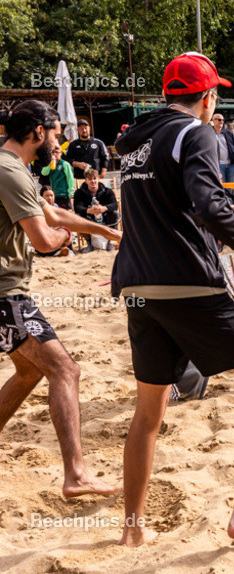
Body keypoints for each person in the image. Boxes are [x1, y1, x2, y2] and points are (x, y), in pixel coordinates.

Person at [112, 51, 234, 546]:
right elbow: (208, 202)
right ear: (208, 98)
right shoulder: (199, 132)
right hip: (187, 282)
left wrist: (228, 227)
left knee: (148, 414)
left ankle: (132, 531)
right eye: (216, 97)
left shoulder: (137, 142)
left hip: (138, 283)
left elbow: (176, 207)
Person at [0, 100, 122, 498]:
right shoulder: (9, 172)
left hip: (6, 291)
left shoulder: (13, 168)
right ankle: (76, 475)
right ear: (37, 131)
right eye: (54, 133)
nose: (59, 141)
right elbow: (46, 239)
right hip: (5, 295)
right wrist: (68, 240)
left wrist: (107, 232)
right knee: (65, 372)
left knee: (29, 372)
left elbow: (54, 216)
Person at [73, 168, 119, 252]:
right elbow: (77, 208)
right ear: (86, 180)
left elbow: (115, 205)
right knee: (78, 217)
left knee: (115, 214)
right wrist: (89, 210)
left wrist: (103, 208)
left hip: (105, 217)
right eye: (90, 179)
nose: (93, 181)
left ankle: (108, 242)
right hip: (89, 218)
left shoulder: (107, 191)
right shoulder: (79, 192)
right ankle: (89, 243)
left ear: (98, 179)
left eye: (94, 178)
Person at [42, 144, 75, 209]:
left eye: (57, 152)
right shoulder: (50, 164)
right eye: (53, 152)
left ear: (61, 153)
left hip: (63, 194)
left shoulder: (64, 164)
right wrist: (51, 162)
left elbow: (70, 178)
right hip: (53, 194)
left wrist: (71, 193)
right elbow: (44, 173)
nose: (55, 154)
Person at [211, 113, 234, 184]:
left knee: (231, 187)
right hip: (218, 165)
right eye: (219, 119)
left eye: (223, 120)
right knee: (221, 187)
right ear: (213, 121)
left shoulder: (228, 133)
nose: (221, 121)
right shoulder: (209, 133)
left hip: (231, 164)